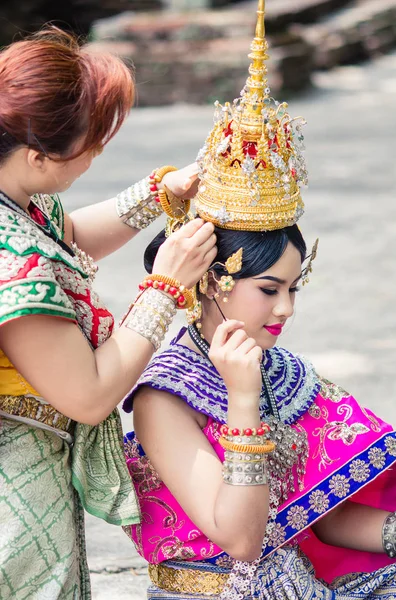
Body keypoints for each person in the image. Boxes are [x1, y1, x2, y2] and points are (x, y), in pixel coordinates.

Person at [122, 2, 396, 598]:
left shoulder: (284, 372)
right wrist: (243, 403)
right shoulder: (162, 396)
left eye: (293, 290)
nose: (285, 311)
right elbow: (241, 540)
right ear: (212, 280)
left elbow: (325, 514)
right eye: (269, 289)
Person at [0, 27, 217, 599]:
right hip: (12, 477)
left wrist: (160, 192)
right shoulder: (9, 260)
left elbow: (66, 236)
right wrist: (165, 287)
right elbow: (90, 394)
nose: (99, 153)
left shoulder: (17, 199)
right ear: (37, 155)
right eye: (92, 142)